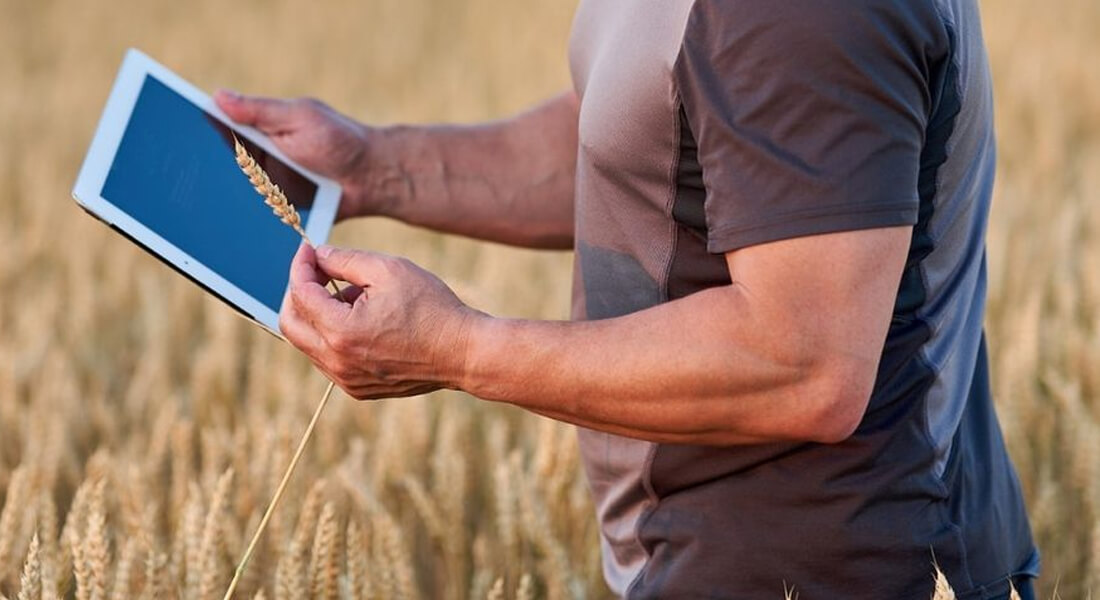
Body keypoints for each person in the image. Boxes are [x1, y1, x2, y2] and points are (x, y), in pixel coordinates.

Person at [215, 0, 1039, 596]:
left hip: (817, 569)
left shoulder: (800, 15)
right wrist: (373, 167)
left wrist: (458, 349)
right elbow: (640, 135)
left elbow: (805, 362)